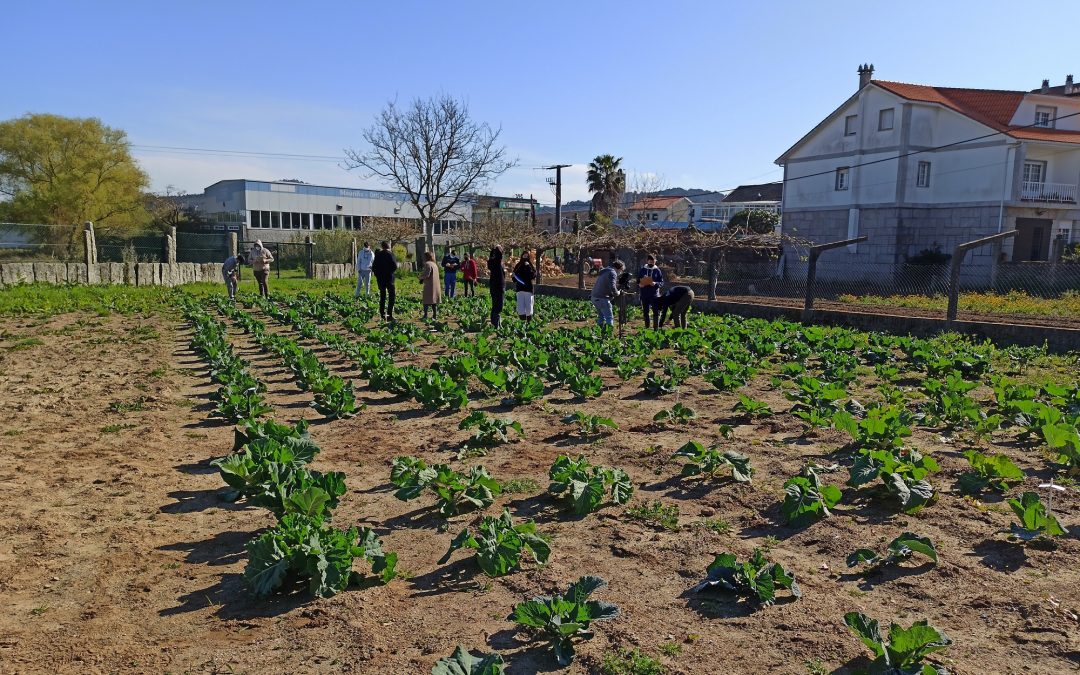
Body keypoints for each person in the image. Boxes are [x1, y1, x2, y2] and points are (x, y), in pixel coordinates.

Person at [590, 259, 625, 329]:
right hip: (602, 298)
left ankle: (599, 332)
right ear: (619, 268)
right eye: (621, 271)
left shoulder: (605, 271)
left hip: (594, 297)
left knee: (601, 317)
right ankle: (609, 334)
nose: (620, 273)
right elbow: (612, 287)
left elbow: (607, 285)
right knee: (609, 317)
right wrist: (617, 293)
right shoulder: (613, 273)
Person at [636, 253, 664, 329]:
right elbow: (638, 280)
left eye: (653, 262)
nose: (652, 263)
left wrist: (655, 283)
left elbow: (661, 282)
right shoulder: (643, 270)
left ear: (655, 261)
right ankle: (647, 328)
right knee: (646, 312)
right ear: (647, 261)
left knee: (656, 311)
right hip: (644, 294)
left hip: (654, 294)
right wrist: (639, 284)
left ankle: (656, 328)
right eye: (650, 261)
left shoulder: (657, 270)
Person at [371, 241, 398, 321]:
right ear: (388, 246)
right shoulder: (390, 254)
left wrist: (378, 276)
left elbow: (374, 267)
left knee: (382, 296)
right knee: (391, 296)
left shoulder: (378, 255)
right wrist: (390, 272)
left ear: (382, 247)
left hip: (381, 279)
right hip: (389, 278)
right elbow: (394, 266)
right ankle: (389, 314)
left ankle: (382, 314)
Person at [420, 251, 443, 320]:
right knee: (434, 301)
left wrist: (421, 277)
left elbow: (427, 275)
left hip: (429, 285)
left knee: (426, 300)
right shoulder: (434, 264)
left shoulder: (427, 264)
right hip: (436, 285)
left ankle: (425, 315)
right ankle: (435, 315)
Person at [488, 245, 505, 327]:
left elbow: (496, 255)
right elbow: (499, 255)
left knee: (495, 305)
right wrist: (497, 247)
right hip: (498, 286)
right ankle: (496, 323)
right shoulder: (496, 261)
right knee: (499, 306)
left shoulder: (492, 261)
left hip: (494, 285)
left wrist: (493, 250)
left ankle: (496, 322)